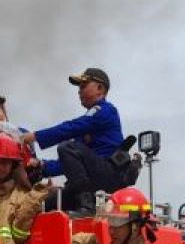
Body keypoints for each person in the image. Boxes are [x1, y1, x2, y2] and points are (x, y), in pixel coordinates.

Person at [21, 67, 124, 213]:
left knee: (67, 147)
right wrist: (42, 166)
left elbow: (70, 128)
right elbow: (70, 165)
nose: (79, 91)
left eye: (83, 86)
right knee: (45, 206)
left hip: (107, 173)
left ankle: (86, 203)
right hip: (91, 180)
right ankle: (84, 201)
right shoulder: (88, 124)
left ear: (100, 88)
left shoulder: (105, 111)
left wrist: (35, 136)